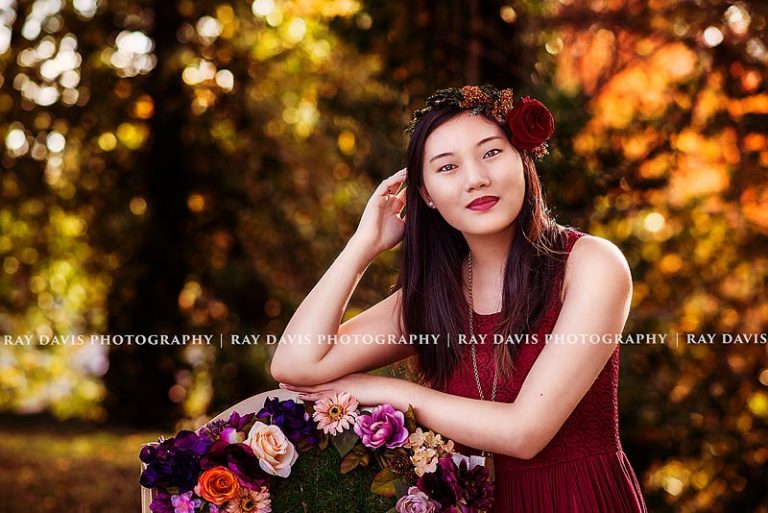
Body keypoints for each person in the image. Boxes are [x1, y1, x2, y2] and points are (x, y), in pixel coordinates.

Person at [271, 84, 647, 512]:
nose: (476, 179)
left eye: (491, 153)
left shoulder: (590, 264)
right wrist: (363, 246)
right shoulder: (436, 293)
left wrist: (382, 391)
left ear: (523, 160)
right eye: (447, 167)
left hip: (576, 500)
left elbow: (526, 432)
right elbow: (295, 365)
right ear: (425, 195)